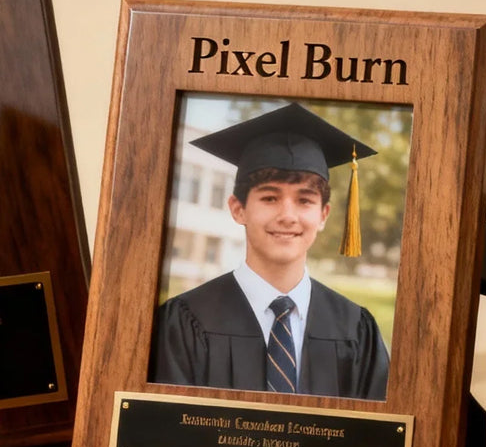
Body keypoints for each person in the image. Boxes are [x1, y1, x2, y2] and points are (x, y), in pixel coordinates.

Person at [150, 103, 390, 400]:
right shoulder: (183, 322)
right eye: (270, 198)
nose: (287, 216)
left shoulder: (356, 329)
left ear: (323, 215)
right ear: (238, 209)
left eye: (304, 200)